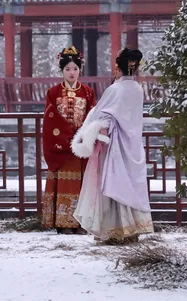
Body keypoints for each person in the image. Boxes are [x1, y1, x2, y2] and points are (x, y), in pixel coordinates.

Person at [70, 47, 154, 243]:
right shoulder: (137, 89)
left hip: (113, 145)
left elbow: (100, 114)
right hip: (131, 143)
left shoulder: (114, 89)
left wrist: (93, 128)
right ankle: (132, 229)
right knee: (128, 184)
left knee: (111, 185)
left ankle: (112, 230)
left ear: (118, 68)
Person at [40, 46, 96, 233]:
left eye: (75, 69)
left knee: (82, 183)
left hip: (81, 145)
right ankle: (63, 223)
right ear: (61, 70)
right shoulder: (53, 92)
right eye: (67, 69)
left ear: (80, 70)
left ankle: (81, 223)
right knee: (64, 181)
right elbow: (50, 118)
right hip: (61, 146)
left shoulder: (88, 92)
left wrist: (83, 135)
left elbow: (93, 115)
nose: (72, 73)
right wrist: (66, 135)